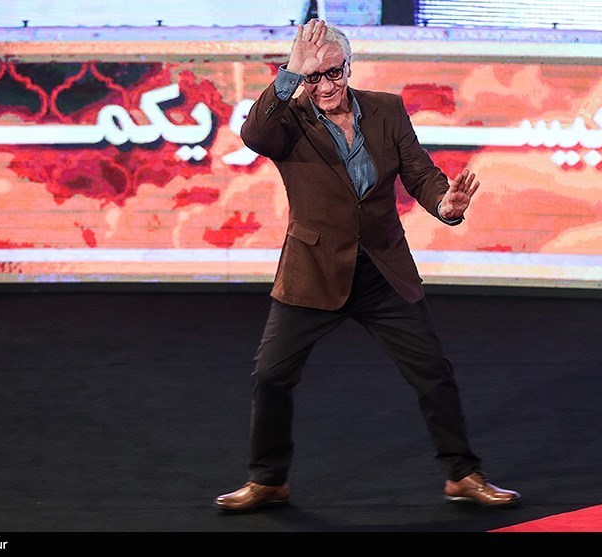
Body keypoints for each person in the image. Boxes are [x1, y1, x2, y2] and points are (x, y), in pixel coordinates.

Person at [213, 19, 521, 512]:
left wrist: (445, 205)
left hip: (383, 268)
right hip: (314, 270)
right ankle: (268, 480)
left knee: (433, 373)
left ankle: (462, 474)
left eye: (334, 73)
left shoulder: (386, 109)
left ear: (349, 67)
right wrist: (291, 72)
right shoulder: (288, 120)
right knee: (271, 376)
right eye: (314, 77)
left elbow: (419, 172)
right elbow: (254, 135)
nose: (326, 86)